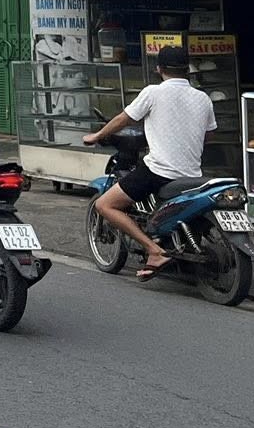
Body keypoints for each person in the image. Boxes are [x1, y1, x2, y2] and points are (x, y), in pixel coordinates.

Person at [81, 44, 217, 280]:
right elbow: (209, 134)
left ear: (159, 69)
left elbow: (123, 119)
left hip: (158, 172)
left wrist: (97, 135)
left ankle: (154, 251)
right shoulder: (203, 98)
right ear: (187, 69)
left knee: (105, 205)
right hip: (192, 174)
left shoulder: (153, 92)